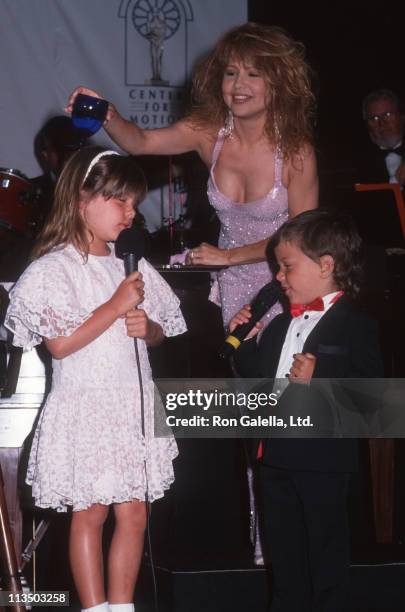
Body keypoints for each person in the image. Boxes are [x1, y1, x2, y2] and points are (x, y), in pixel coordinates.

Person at [5, 146, 187, 612]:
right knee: (91, 511)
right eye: (120, 202)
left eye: (134, 203)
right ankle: (94, 607)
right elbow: (60, 345)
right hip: (87, 405)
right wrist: (114, 306)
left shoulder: (132, 266)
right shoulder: (54, 268)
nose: (131, 214)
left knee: (135, 512)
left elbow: (163, 331)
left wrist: (151, 330)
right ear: (82, 198)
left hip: (131, 406)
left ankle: (121, 606)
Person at [67, 22, 318, 329]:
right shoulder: (208, 134)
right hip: (234, 283)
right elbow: (140, 141)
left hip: (287, 282)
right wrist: (109, 114)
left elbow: (304, 237)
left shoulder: (296, 152)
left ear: (278, 83)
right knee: (244, 373)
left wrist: (227, 257)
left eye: (253, 74)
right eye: (231, 73)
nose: (239, 85)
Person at [230, 209, 383, 611]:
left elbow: (372, 395)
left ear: (326, 265)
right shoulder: (280, 326)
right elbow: (258, 381)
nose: (278, 277)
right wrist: (243, 343)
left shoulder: (356, 324)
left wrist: (324, 372)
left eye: (287, 266)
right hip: (275, 457)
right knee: (284, 557)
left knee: (325, 554)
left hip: (323, 459)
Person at [359, 89, 405, 185]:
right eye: (374, 118)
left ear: (402, 117)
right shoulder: (360, 163)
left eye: (388, 115)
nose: (382, 123)